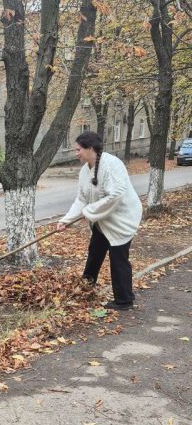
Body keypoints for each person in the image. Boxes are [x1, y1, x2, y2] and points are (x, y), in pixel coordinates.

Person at [57, 130, 143, 310]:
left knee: (118, 259)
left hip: (121, 220)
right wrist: (66, 220)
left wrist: (90, 211)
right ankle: (86, 288)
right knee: (95, 252)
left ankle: (124, 300)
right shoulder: (84, 171)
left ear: (90, 148)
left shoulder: (112, 165)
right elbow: (81, 199)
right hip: (102, 221)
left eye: (78, 149)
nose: (76, 153)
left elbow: (116, 194)